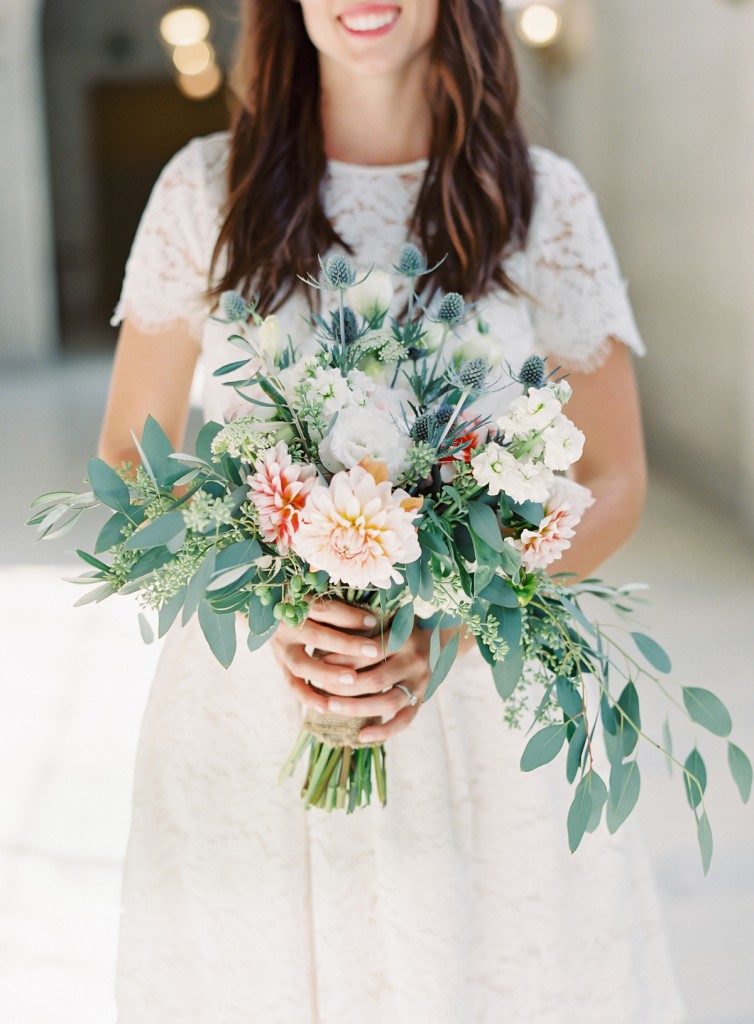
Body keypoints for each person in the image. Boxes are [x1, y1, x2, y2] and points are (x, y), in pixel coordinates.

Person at [100, 1, 686, 1020]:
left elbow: (614, 477)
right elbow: (125, 458)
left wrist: (458, 616)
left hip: (482, 709)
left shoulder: (541, 200)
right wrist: (271, 595)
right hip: (258, 692)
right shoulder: (203, 188)